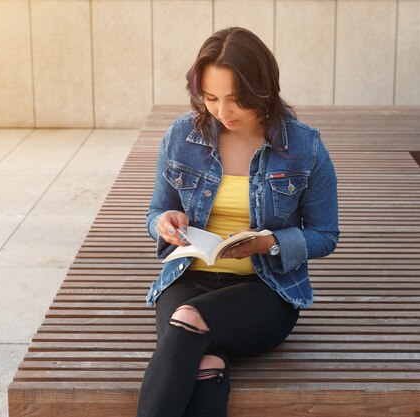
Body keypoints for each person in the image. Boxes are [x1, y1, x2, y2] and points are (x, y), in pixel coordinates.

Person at [136, 27, 339, 417]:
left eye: (236, 100)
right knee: (204, 361)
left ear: (263, 90)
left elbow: (325, 235)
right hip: (188, 278)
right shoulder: (181, 137)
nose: (222, 112)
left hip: (263, 287)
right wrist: (165, 222)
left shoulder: (304, 147)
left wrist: (269, 243)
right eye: (210, 98)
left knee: (188, 323)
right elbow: (154, 214)